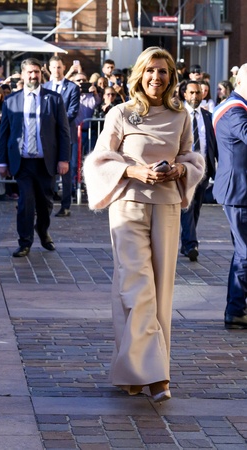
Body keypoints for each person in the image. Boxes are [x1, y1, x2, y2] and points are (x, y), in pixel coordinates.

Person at [83, 47, 205, 401]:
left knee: (161, 292)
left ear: (171, 77)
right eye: (150, 70)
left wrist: (180, 169)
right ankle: (157, 377)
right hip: (128, 207)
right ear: (140, 74)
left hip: (167, 207)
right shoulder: (120, 113)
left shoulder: (181, 116)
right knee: (137, 288)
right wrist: (133, 170)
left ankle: (134, 372)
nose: (156, 77)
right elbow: (98, 161)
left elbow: (191, 157)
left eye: (163, 71)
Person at [0, 58, 71, 258]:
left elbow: (63, 132)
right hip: (22, 162)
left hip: (45, 161)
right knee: (25, 202)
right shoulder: (11, 101)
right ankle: (25, 242)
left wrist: (64, 159)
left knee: (45, 204)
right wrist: (2, 161)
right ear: (22, 74)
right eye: (29, 72)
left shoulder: (54, 99)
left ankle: (42, 229)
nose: (33, 76)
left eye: (36, 72)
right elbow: (4, 133)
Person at [213, 63, 247, 329]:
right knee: (245, 253)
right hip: (239, 191)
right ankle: (235, 310)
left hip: (239, 189)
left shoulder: (235, 107)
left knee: (242, 252)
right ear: (240, 83)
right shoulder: (234, 110)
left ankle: (236, 309)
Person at [179, 80, 218, 262]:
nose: (195, 96)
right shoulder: (178, 115)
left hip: (204, 170)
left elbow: (213, 143)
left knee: (196, 208)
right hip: (185, 170)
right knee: (187, 206)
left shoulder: (208, 116)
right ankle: (191, 245)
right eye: (191, 93)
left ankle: (186, 243)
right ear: (185, 94)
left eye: (198, 93)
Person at [44, 56, 80, 217]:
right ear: (49, 68)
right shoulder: (44, 87)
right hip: (48, 137)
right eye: (53, 67)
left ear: (64, 67)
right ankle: (45, 204)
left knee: (66, 172)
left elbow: (73, 111)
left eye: (59, 67)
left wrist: (56, 123)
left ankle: (65, 206)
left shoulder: (72, 88)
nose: (56, 70)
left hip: (66, 135)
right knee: (48, 171)